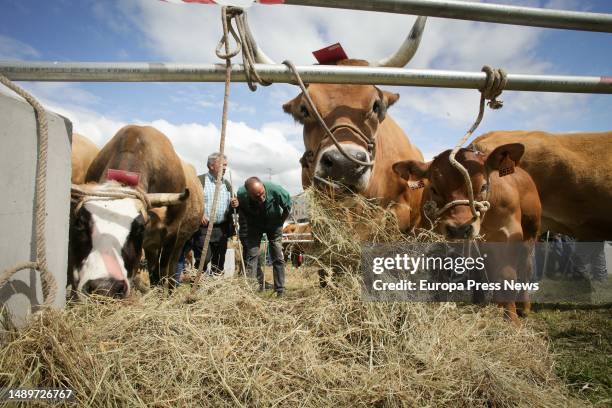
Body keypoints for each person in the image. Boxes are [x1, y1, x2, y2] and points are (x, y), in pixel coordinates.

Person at [177, 152, 238, 280]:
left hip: (221, 229)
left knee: (219, 260)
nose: (225, 168)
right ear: (211, 166)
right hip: (203, 228)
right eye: (222, 165)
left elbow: (234, 204)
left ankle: (215, 288)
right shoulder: (199, 182)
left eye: (226, 165)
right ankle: (198, 285)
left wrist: (235, 204)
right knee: (204, 258)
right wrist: (199, 215)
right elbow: (189, 202)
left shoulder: (226, 184)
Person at [237, 177, 291, 295]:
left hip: (274, 222)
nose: (261, 198)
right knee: (252, 255)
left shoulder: (276, 190)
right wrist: (238, 207)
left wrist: (280, 222)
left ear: (263, 186)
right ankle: (250, 290)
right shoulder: (241, 194)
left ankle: (280, 290)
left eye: (262, 194)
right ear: (248, 194)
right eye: (256, 196)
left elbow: (288, 207)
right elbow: (241, 209)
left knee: (277, 255)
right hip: (255, 225)